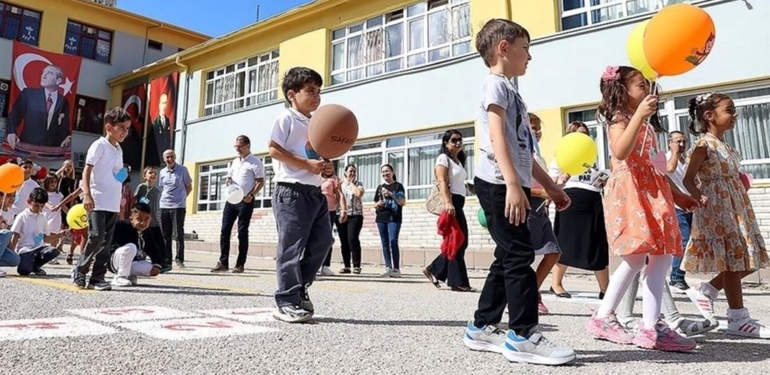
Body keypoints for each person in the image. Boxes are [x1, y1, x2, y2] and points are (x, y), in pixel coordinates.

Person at [461, 19, 574, 366]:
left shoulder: (511, 92)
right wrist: (512, 183)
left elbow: (523, 149)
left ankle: (481, 326)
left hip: (510, 179)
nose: (530, 56)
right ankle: (522, 335)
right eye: (526, 48)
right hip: (497, 182)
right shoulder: (494, 86)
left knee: (509, 254)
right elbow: (496, 138)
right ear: (504, 49)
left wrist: (551, 186)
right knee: (519, 255)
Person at [584, 66, 700, 352]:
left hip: (653, 192)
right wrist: (638, 115)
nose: (648, 90)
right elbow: (621, 151)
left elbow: (658, 168)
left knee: (660, 255)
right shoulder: (619, 118)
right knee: (636, 258)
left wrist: (678, 196)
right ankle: (604, 317)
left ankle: (651, 327)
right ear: (621, 91)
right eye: (640, 85)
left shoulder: (648, 126)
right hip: (631, 192)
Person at [682, 92, 769, 338]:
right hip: (718, 209)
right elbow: (687, 178)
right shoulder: (703, 145)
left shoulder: (726, 147)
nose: (735, 115)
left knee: (748, 259)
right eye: (729, 110)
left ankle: (708, 290)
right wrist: (697, 195)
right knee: (734, 261)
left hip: (736, 207)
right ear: (710, 116)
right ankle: (737, 317)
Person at [268, 66, 333, 323]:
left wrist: (325, 167)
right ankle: (286, 300)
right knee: (291, 248)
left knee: (323, 242)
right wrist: (306, 165)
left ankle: (300, 287)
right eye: (311, 90)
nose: (317, 96)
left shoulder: (316, 123)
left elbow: (318, 158)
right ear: (292, 94)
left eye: (319, 91)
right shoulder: (286, 118)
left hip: (314, 192)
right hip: (291, 191)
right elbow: (273, 150)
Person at [548, 121, 610, 299]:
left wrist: (603, 180)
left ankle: (605, 288)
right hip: (571, 200)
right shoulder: (561, 155)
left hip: (594, 200)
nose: (584, 137)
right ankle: (556, 283)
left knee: (597, 243)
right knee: (567, 241)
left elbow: (594, 177)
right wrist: (562, 178)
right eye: (579, 133)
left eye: (586, 133)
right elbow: (551, 182)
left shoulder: (592, 156)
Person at [73, 107, 131, 291]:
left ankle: (97, 278)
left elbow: (116, 174)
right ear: (109, 127)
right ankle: (80, 269)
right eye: (121, 127)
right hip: (97, 200)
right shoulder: (99, 145)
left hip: (112, 202)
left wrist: (122, 184)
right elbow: (87, 170)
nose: (125, 132)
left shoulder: (119, 149)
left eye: (128, 128)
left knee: (106, 242)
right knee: (96, 236)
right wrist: (87, 194)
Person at [423, 129, 474, 292]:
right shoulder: (443, 158)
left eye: (460, 140)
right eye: (453, 140)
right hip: (451, 202)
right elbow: (442, 181)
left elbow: (457, 181)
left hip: (459, 201)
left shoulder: (458, 160)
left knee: (458, 240)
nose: (458, 142)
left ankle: (434, 269)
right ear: (446, 143)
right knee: (459, 240)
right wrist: (447, 202)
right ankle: (457, 281)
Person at [211, 135, 265, 273]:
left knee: (242, 232)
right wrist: (229, 181)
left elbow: (260, 182)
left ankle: (240, 264)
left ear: (248, 146)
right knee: (224, 230)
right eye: (236, 146)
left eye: (240, 146)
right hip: (231, 200)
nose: (237, 149)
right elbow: (231, 177)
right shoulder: (235, 161)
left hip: (245, 201)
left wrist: (251, 195)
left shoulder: (255, 162)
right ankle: (223, 262)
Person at [6, 65, 72, 149]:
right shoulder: (28, 94)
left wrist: (67, 137)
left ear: (58, 81)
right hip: (27, 148)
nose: (44, 75)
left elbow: (63, 126)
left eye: (49, 73)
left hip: (50, 151)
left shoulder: (63, 101)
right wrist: (11, 132)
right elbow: (14, 116)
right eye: (43, 72)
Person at [9, 188, 67, 276]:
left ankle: (35, 266)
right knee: (24, 271)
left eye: (42, 206)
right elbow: (15, 234)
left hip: (38, 249)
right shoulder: (22, 216)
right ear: (29, 201)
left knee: (53, 251)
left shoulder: (42, 218)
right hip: (25, 249)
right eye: (36, 205)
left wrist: (60, 235)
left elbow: (45, 238)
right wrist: (11, 252)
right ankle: (29, 265)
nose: (39, 209)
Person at [108, 202, 165, 288]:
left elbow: (154, 250)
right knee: (131, 247)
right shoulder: (121, 226)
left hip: (132, 262)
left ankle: (129, 276)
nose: (143, 223)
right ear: (131, 219)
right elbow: (109, 231)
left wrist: (157, 264)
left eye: (146, 219)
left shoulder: (147, 233)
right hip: (115, 261)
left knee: (151, 268)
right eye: (139, 219)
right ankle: (120, 277)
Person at [665, 130, 691, 292]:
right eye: (677, 142)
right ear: (670, 143)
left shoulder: (686, 160)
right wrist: (674, 153)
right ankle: (675, 276)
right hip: (676, 206)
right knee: (684, 240)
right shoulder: (668, 157)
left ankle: (679, 275)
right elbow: (669, 170)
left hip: (688, 204)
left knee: (689, 242)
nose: (681, 145)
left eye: (683, 142)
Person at [159, 149, 193, 269]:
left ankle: (179, 259)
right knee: (165, 234)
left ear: (175, 157)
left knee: (178, 234)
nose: (170, 159)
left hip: (178, 206)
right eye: (167, 157)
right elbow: (162, 188)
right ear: (164, 159)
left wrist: (182, 198)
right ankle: (167, 260)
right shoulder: (162, 172)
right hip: (164, 205)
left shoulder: (182, 170)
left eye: (172, 156)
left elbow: (189, 186)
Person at [373, 164, 406, 278]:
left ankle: (396, 269)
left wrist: (391, 194)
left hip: (394, 218)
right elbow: (375, 203)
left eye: (387, 171)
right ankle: (388, 267)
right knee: (385, 242)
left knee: (393, 241)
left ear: (392, 172)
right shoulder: (379, 187)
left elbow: (402, 202)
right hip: (381, 217)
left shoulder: (398, 186)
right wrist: (377, 204)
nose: (385, 174)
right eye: (383, 172)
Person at [318, 161, 346, 276]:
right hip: (315, 211)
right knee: (313, 238)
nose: (328, 169)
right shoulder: (315, 177)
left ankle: (325, 265)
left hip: (330, 211)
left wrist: (344, 210)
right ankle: (311, 265)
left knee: (327, 238)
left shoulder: (334, 179)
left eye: (331, 166)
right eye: (326, 166)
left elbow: (340, 195)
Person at [133, 166, 164, 263]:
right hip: (140, 218)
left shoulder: (157, 191)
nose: (153, 175)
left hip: (153, 220)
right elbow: (134, 200)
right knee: (140, 238)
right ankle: (138, 255)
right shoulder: (141, 187)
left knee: (156, 240)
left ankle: (159, 260)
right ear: (144, 176)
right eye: (150, 173)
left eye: (155, 173)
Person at [337, 164, 364, 274]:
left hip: (355, 215)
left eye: (354, 171)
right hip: (342, 214)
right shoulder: (340, 185)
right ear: (345, 173)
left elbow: (358, 193)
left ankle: (356, 265)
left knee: (352, 239)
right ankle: (347, 265)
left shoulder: (359, 184)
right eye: (350, 171)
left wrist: (351, 183)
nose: (352, 173)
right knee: (344, 241)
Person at [0, 191, 21, 277]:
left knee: (15, 259)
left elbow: (8, 235)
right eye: (8, 195)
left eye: (14, 195)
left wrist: (10, 249)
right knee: (6, 232)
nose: (12, 198)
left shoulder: (11, 213)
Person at [152, 92, 172, 162]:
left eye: (166, 103)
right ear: (159, 104)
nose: (164, 106)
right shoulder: (155, 123)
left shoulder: (168, 120)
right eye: (163, 103)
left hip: (165, 155)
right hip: (157, 154)